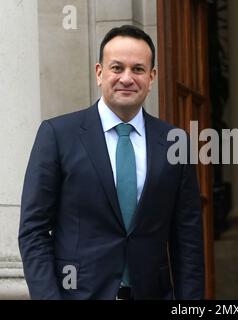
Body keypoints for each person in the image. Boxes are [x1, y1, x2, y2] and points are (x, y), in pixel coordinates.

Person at [18, 25, 204, 300]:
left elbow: (187, 241)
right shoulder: (57, 135)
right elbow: (33, 230)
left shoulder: (176, 142)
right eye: (117, 68)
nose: (127, 78)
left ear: (152, 77)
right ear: (99, 73)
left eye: (138, 69)